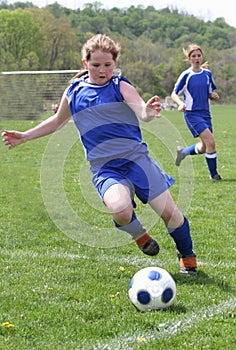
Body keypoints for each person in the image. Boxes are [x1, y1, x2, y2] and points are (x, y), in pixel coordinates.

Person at [2, 34, 197, 275]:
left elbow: (141, 111)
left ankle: (187, 255)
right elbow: (56, 122)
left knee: (171, 214)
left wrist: (147, 111)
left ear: (114, 64)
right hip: (106, 169)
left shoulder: (119, 86)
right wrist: (25, 136)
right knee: (121, 211)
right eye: (96, 65)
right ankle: (140, 235)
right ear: (85, 64)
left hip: (138, 162)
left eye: (107, 65)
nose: (102, 70)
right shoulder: (74, 91)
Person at [171, 43, 221, 180]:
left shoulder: (207, 74)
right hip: (192, 114)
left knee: (205, 147)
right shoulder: (186, 75)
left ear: (202, 57)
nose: (197, 58)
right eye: (194, 56)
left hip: (206, 113)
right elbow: (174, 94)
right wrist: (180, 103)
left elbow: (210, 92)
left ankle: (183, 153)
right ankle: (214, 175)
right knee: (211, 142)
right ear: (189, 59)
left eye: (199, 55)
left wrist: (213, 96)